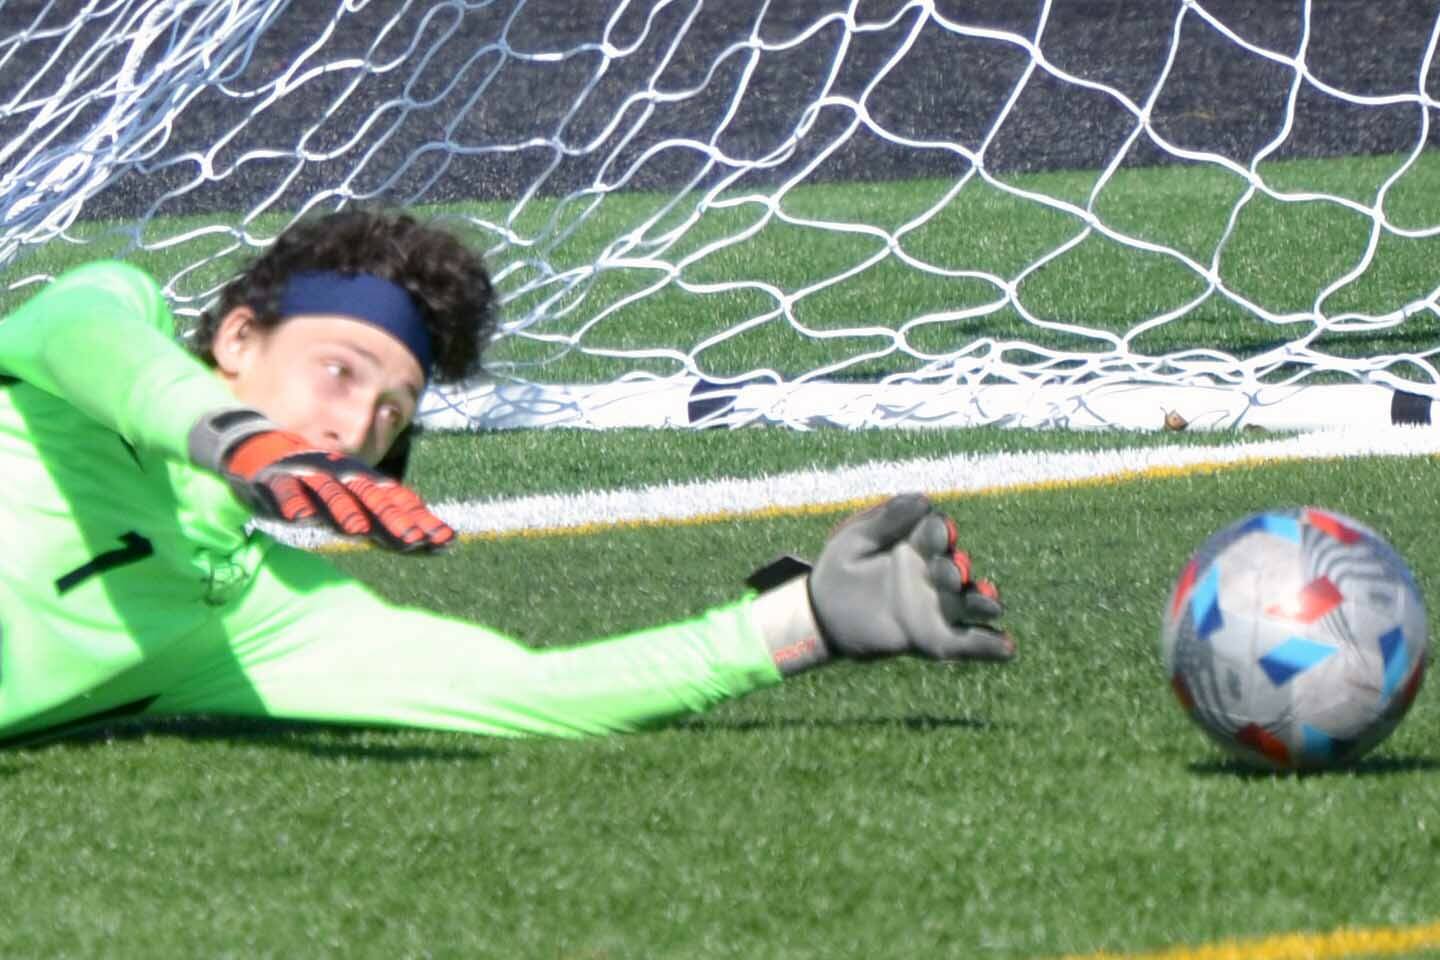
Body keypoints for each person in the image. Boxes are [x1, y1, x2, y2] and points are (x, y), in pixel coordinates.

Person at [0, 209, 1014, 746]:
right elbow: (91, 339)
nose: (354, 426)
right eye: (339, 372)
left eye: (392, 410)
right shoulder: (100, 336)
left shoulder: (251, 619)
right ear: (234, 339)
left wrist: (800, 625)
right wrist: (235, 439)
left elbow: (532, 691)